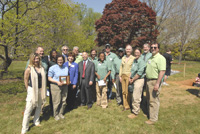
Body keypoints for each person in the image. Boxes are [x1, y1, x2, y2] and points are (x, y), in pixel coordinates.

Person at [21, 53, 46, 134]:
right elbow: (25, 79)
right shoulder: (29, 69)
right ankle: (24, 128)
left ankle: (36, 121)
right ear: (32, 59)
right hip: (32, 90)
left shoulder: (41, 68)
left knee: (39, 106)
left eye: (38, 59)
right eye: (35, 59)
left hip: (40, 90)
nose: (36, 60)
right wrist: (28, 89)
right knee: (28, 109)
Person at [145, 43, 166, 125]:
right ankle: (150, 114)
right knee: (149, 99)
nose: (153, 48)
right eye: (152, 47)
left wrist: (157, 83)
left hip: (155, 81)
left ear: (158, 49)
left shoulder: (161, 58)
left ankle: (153, 119)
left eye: (155, 47)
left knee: (154, 100)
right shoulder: (151, 57)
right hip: (148, 80)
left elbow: (162, 71)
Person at [48, 54, 69, 121]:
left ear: (63, 60)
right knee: (57, 101)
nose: (60, 61)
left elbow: (66, 76)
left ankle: (61, 113)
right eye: (59, 60)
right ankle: (56, 114)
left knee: (63, 100)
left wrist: (68, 81)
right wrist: (57, 82)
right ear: (56, 60)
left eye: (61, 60)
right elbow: (49, 78)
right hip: (55, 86)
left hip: (64, 86)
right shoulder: (52, 68)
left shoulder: (65, 67)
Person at [127, 48, 146, 119]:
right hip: (133, 79)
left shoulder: (142, 62)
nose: (136, 54)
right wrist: (130, 77)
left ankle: (135, 112)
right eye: (135, 53)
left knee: (136, 96)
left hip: (139, 79)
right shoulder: (134, 61)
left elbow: (139, 73)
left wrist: (133, 79)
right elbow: (131, 70)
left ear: (140, 53)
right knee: (133, 95)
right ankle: (135, 109)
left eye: (138, 53)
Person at [119, 45, 135, 111]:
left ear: (131, 50)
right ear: (125, 50)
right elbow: (121, 67)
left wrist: (130, 76)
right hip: (123, 75)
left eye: (129, 49)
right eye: (127, 49)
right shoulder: (123, 58)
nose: (128, 50)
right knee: (123, 91)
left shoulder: (133, 58)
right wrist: (120, 76)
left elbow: (133, 68)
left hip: (128, 75)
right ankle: (124, 104)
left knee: (128, 91)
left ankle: (128, 105)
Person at [48, 48, 57, 114]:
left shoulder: (58, 61)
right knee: (52, 94)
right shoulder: (50, 62)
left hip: (58, 79)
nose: (54, 54)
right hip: (52, 80)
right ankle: (51, 107)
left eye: (55, 53)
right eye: (53, 53)